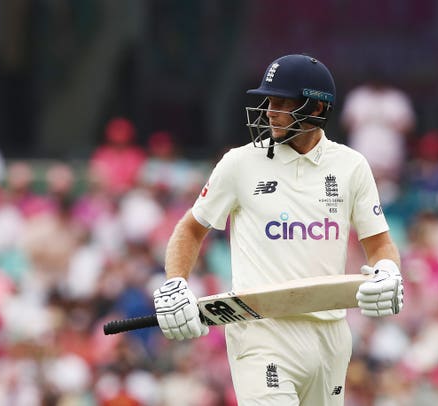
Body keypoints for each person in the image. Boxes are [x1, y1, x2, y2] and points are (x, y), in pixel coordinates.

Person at [153, 54, 404, 405]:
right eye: (268, 101)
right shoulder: (239, 163)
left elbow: (379, 243)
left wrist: (387, 269)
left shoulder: (351, 166)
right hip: (261, 331)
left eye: (281, 102)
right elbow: (191, 229)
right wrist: (176, 281)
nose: (269, 111)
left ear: (316, 108)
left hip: (329, 334)